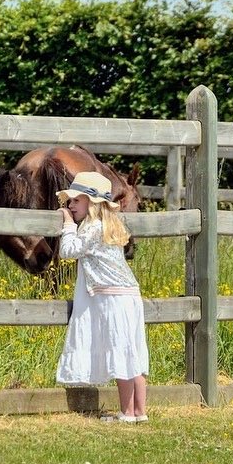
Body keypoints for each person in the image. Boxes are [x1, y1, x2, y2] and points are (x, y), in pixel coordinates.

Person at [54, 171, 149, 423]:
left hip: (113, 298)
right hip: (127, 295)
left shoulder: (94, 228)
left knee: (121, 354)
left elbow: (68, 251)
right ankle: (139, 411)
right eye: (69, 201)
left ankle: (127, 413)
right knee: (131, 353)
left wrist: (67, 226)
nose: (70, 205)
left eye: (76, 200)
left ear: (93, 203)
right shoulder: (109, 226)